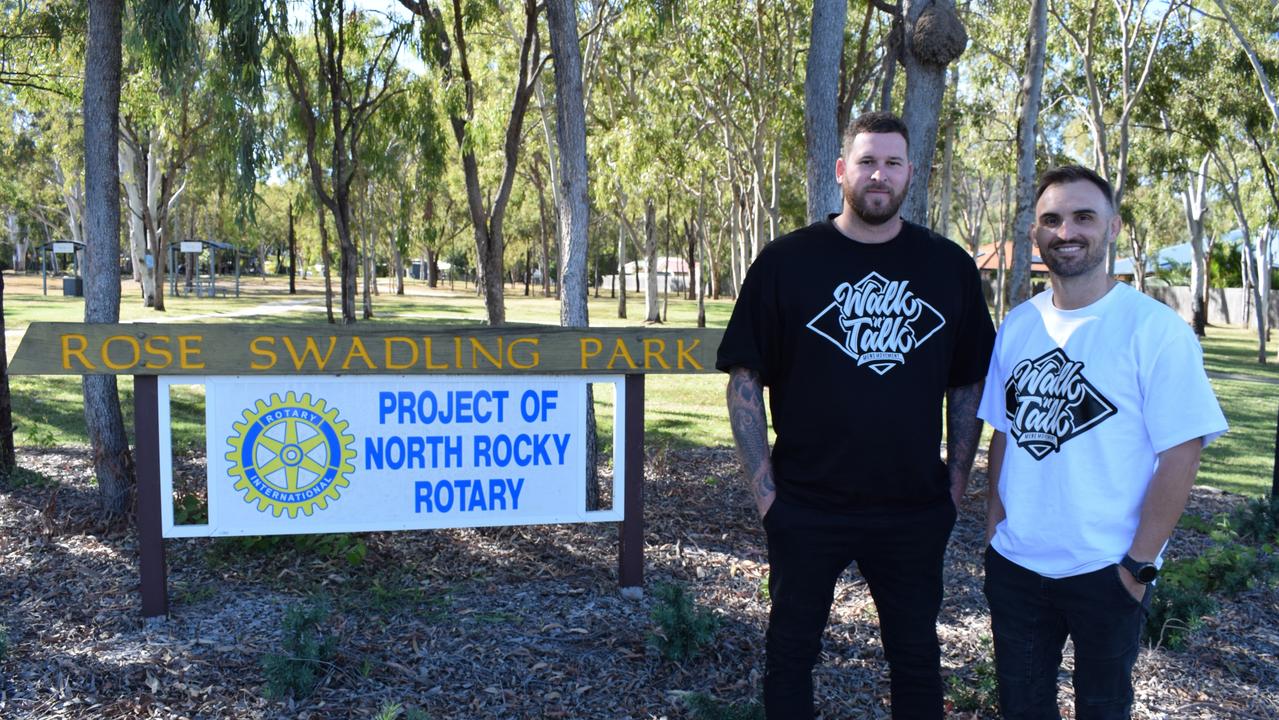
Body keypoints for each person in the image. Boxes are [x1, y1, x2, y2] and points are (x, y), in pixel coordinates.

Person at [717, 111, 996, 719]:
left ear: (910, 175)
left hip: (913, 509)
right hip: (806, 503)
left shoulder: (947, 267)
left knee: (917, 658)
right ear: (842, 171)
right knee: (790, 654)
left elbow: (969, 381)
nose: (879, 174)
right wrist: (766, 494)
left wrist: (956, 484)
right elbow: (745, 379)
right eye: (867, 161)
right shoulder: (787, 261)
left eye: (892, 163)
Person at [977, 165, 1228, 719]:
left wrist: (1138, 566)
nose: (1066, 231)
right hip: (1017, 566)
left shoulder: (1154, 329)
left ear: (1113, 227)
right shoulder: (1019, 325)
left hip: (1106, 569)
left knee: (1103, 708)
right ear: (1035, 233)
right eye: (1051, 220)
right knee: (1021, 707)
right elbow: (1004, 432)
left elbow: (1183, 452)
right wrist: (995, 527)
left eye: (1083, 217)